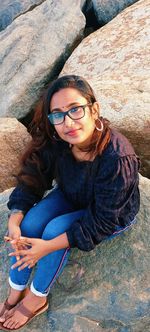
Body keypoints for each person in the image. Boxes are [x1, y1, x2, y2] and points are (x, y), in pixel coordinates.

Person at [0, 75, 140, 330]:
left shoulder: (117, 157)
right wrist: (15, 217)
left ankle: (36, 297)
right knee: (30, 224)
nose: (68, 122)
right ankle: (15, 288)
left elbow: (104, 220)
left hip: (108, 213)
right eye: (58, 114)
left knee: (54, 231)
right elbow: (33, 176)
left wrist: (47, 247)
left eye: (75, 110)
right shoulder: (58, 140)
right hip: (70, 194)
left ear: (94, 109)